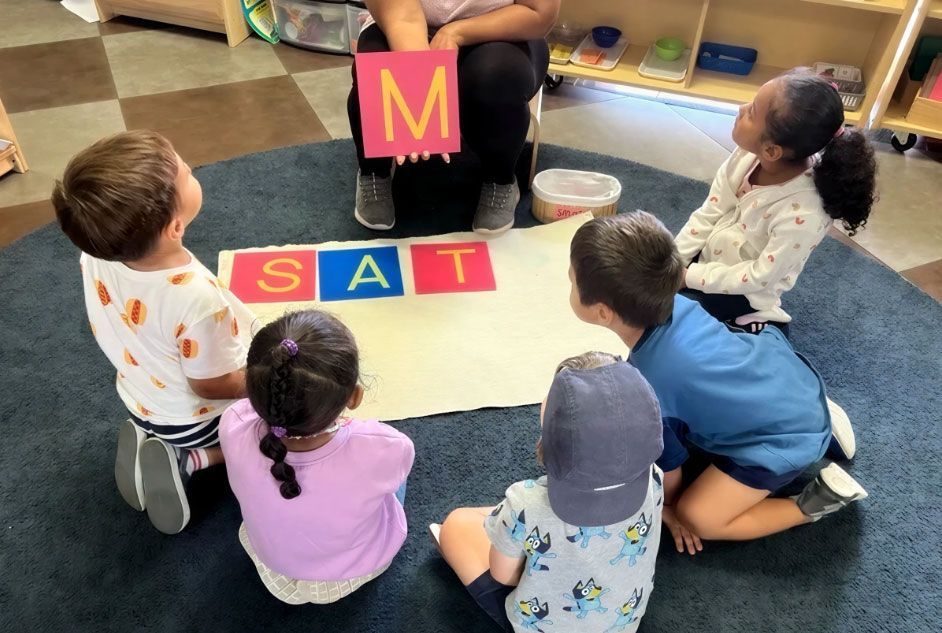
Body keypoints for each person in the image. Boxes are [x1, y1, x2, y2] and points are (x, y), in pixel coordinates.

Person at [569, 212, 868, 552]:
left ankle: (812, 503)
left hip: (781, 437)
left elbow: (670, 469)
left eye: (571, 282)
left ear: (603, 312)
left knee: (698, 517)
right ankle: (813, 417)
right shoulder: (680, 303)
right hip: (787, 375)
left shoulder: (646, 391)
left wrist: (670, 507)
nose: (569, 285)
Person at [52, 130, 256, 535]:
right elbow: (210, 384)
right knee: (270, 424)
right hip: (195, 421)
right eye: (186, 173)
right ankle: (193, 459)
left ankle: (149, 435)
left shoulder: (97, 250)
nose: (190, 167)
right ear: (175, 227)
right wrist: (262, 383)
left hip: (139, 395)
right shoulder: (198, 299)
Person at [433, 352, 664, 633]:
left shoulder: (525, 502)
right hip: (623, 621)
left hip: (542, 623)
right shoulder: (655, 476)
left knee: (457, 524)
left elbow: (503, 575)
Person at [220, 310, 414, 605]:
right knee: (392, 481)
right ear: (355, 397)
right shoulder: (385, 445)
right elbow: (395, 464)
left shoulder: (233, 422)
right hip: (352, 570)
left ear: (253, 388)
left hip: (271, 564)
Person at [675, 69, 877, 335]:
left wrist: (688, 277)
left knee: (678, 322)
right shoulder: (746, 157)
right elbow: (709, 212)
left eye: (751, 112)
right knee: (646, 279)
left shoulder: (803, 214)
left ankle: (764, 320)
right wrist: (673, 262)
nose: (741, 108)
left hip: (746, 293)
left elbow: (760, 276)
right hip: (710, 260)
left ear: (771, 150)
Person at [349, 0, 557, 234]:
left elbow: (539, 13)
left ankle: (500, 178)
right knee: (374, 71)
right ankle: (374, 172)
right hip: (405, 25)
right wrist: (418, 83)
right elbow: (402, 16)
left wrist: (455, 33)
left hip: (503, 32)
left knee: (498, 76)